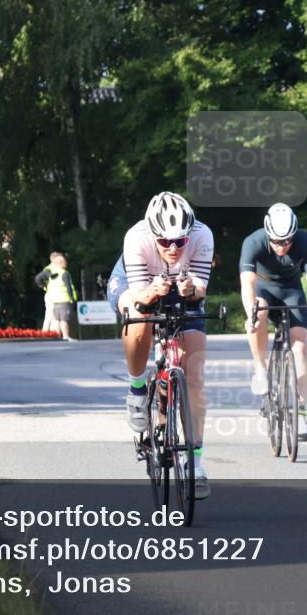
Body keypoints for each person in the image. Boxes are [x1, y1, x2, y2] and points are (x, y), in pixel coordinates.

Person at [106, 192, 215, 498]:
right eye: (165, 241)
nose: (173, 247)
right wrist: (153, 291)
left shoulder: (202, 234)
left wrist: (191, 289)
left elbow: (200, 291)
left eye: (180, 241)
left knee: (194, 374)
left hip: (180, 286)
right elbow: (141, 299)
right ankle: (137, 388)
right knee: (139, 318)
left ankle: (196, 463)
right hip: (138, 284)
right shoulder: (137, 238)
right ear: (153, 233)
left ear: (189, 233)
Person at [239, 203, 307, 442]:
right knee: (258, 314)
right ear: (268, 234)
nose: (282, 246)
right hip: (262, 288)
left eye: (287, 241)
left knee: (300, 347)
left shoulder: (305, 240)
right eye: (277, 242)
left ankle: (300, 413)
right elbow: (247, 283)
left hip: (291, 291)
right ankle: (260, 367)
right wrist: (250, 316)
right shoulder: (253, 242)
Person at [35, 252, 78, 340]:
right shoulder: (52, 269)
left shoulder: (53, 270)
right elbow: (38, 278)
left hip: (55, 297)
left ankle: (55, 335)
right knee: (53, 317)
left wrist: (45, 286)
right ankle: (48, 334)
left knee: (55, 318)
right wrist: (45, 286)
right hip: (58, 297)